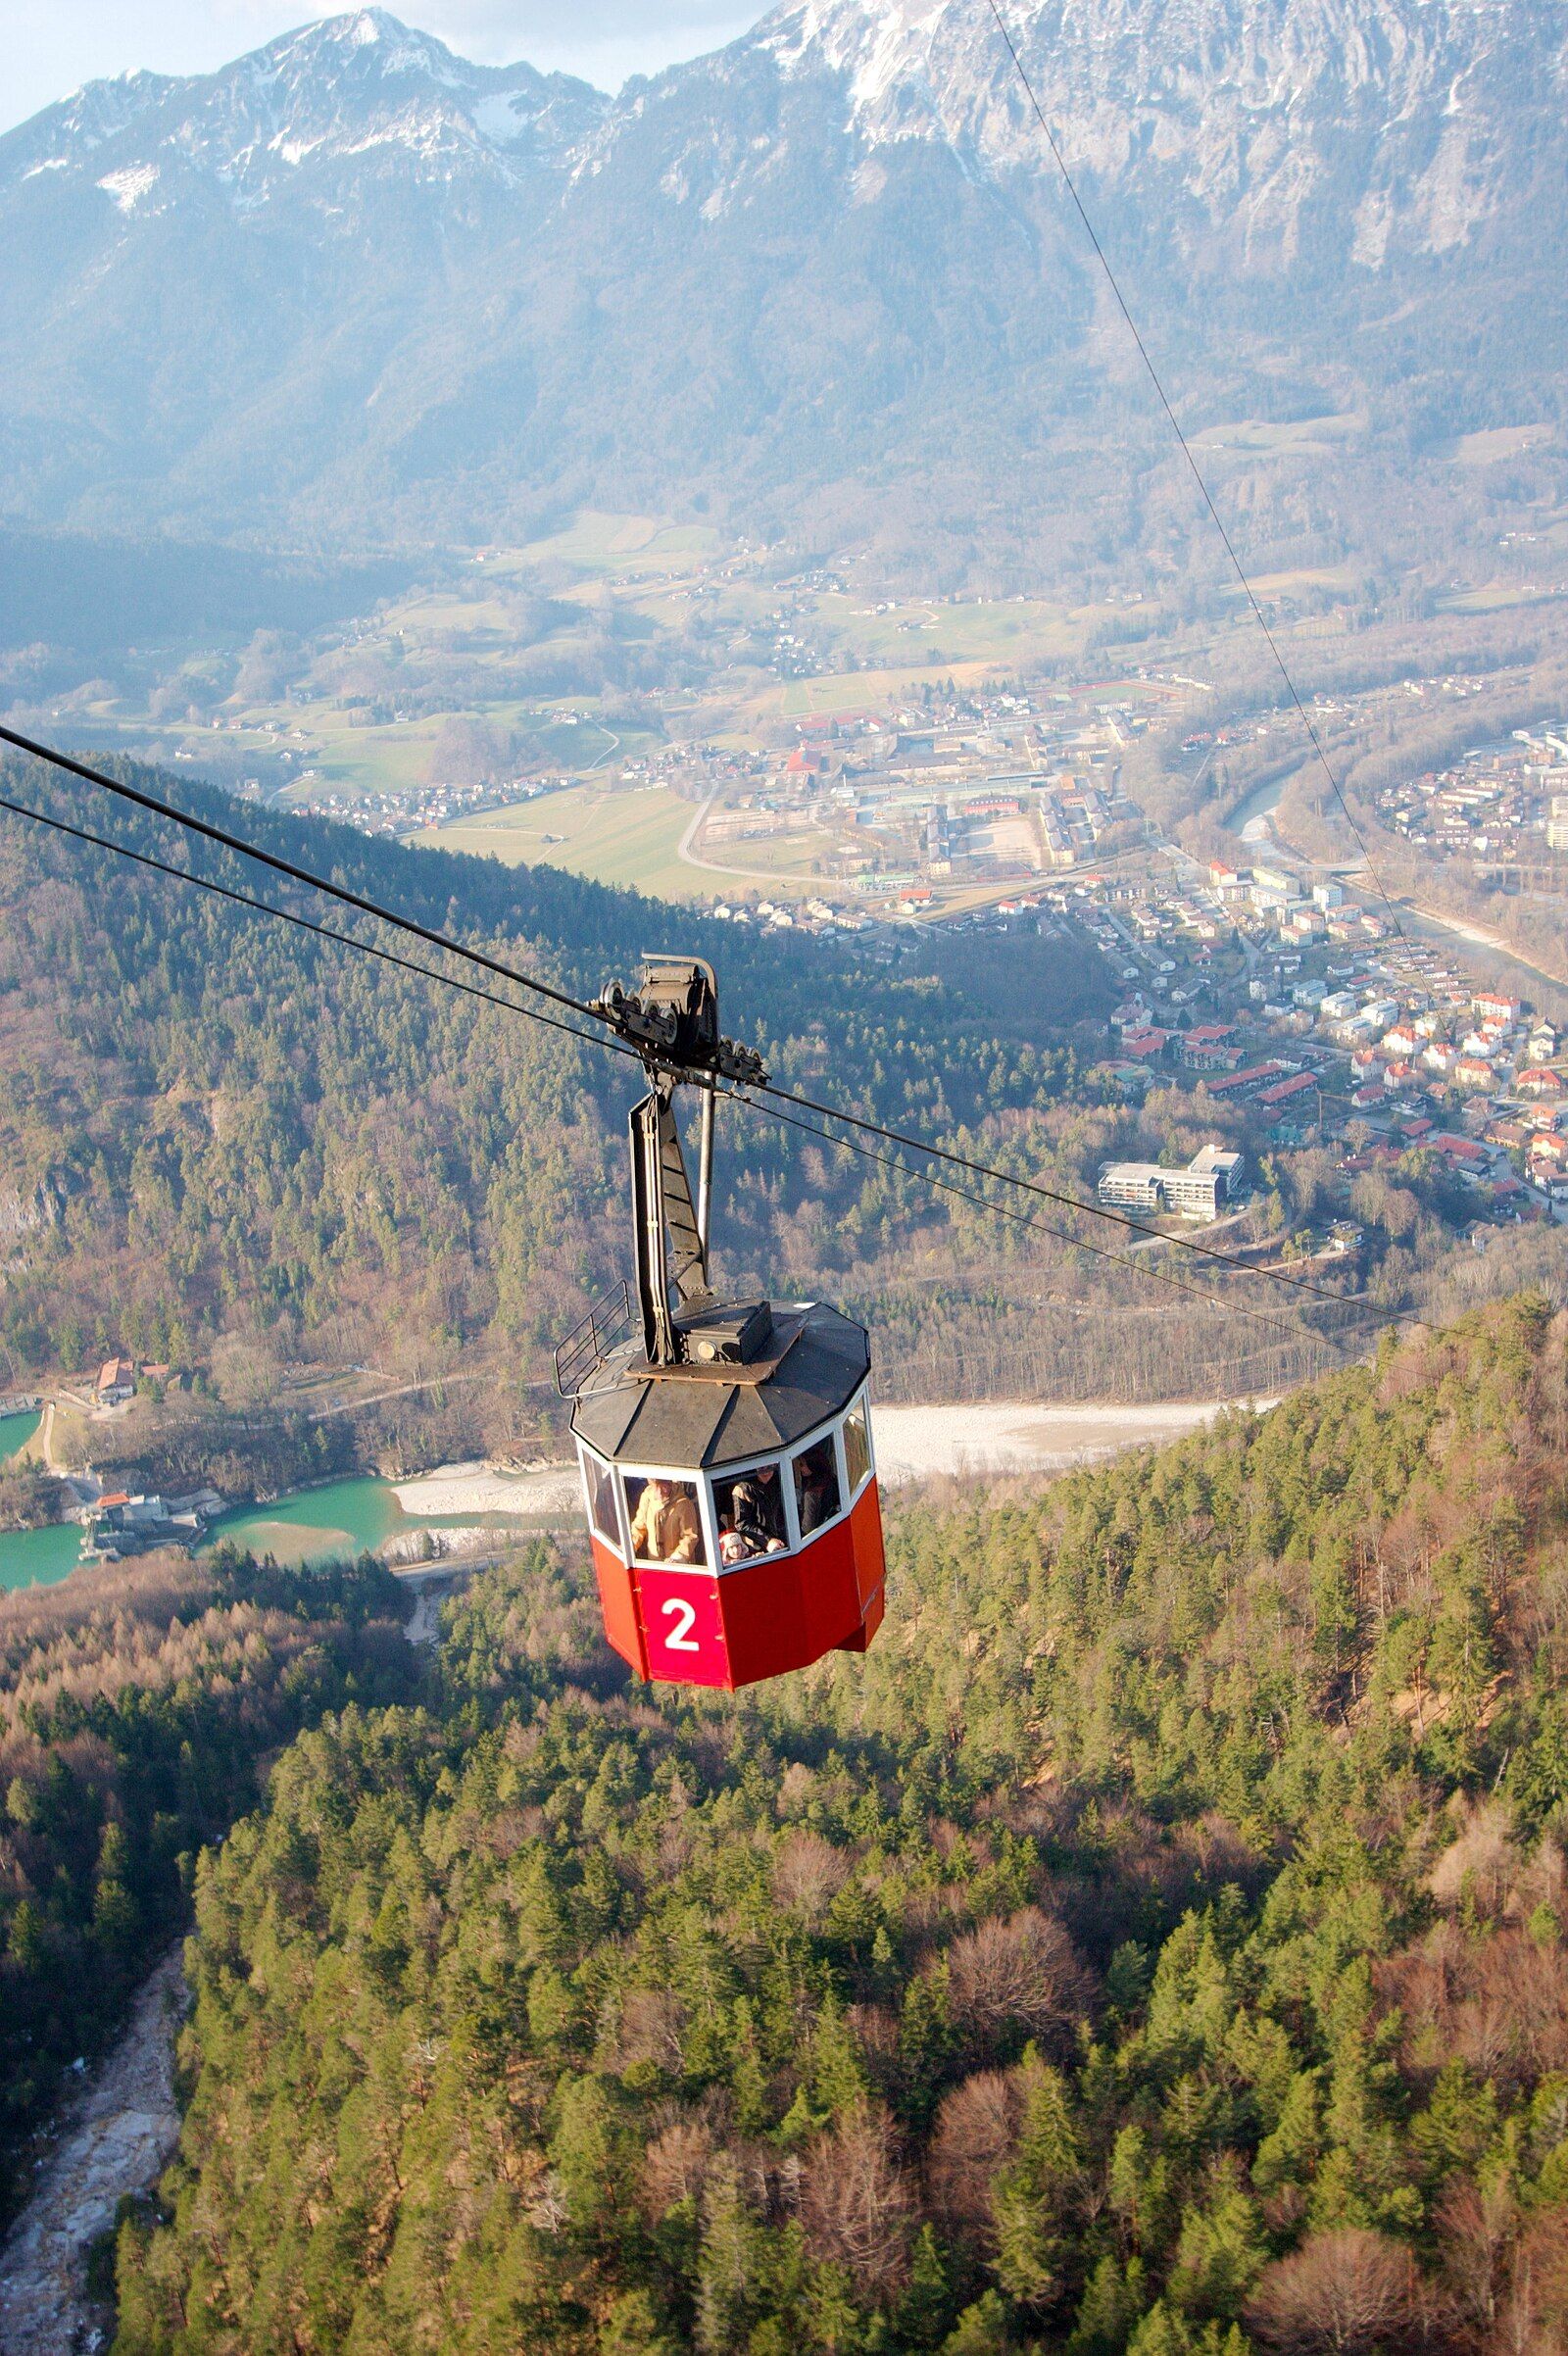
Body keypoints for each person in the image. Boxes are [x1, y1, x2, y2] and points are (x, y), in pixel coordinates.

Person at [628, 1476, 703, 1564]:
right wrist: (631, 1546)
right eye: (655, 1488)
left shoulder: (684, 1504)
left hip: (678, 1565)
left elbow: (690, 1536)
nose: (660, 1493)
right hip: (654, 1563)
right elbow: (639, 1527)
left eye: (663, 1487)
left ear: (670, 1483)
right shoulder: (647, 1498)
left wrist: (678, 1557)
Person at [731, 1461, 787, 1555]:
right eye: (761, 1468)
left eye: (769, 1467)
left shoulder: (781, 1480)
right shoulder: (743, 1489)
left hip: (784, 1540)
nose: (766, 1472)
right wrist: (767, 1540)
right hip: (758, 1548)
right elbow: (742, 1524)